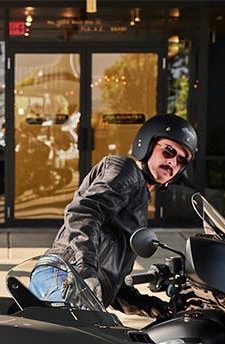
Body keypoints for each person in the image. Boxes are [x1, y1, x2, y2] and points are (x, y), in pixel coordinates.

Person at [43, 113, 198, 318]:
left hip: (80, 283)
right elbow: (84, 211)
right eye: (168, 151)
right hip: (66, 275)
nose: (172, 162)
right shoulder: (125, 170)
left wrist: (159, 309)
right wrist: (85, 267)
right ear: (147, 144)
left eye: (181, 160)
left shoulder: (138, 202)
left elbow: (115, 289)